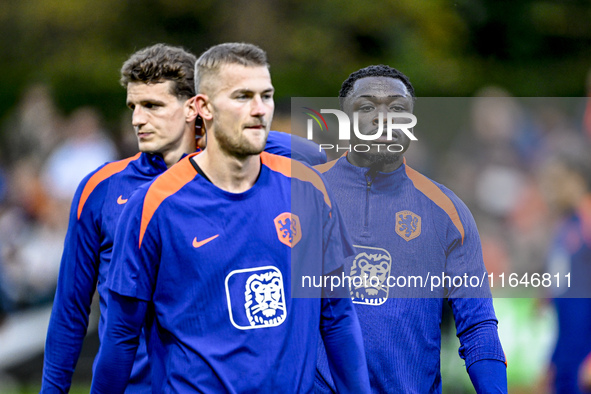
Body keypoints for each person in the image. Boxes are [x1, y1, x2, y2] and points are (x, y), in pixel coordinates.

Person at [41, 43, 326, 393]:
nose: (137, 119)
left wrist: (229, 130)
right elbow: (70, 310)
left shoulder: (234, 180)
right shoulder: (101, 188)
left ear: (195, 107)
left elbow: (315, 155)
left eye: (153, 106)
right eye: (134, 106)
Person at [314, 65, 507, 393]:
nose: (384, 117)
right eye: (366, 107)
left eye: (398, 108)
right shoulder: (304, 193)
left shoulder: (446, 212)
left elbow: (477, 325)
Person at [540, 140, 591, 394]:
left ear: (575, 179)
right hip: (566, 356)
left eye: (556, 181)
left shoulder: (587, 220)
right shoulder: (563, 227)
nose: (549, 189)